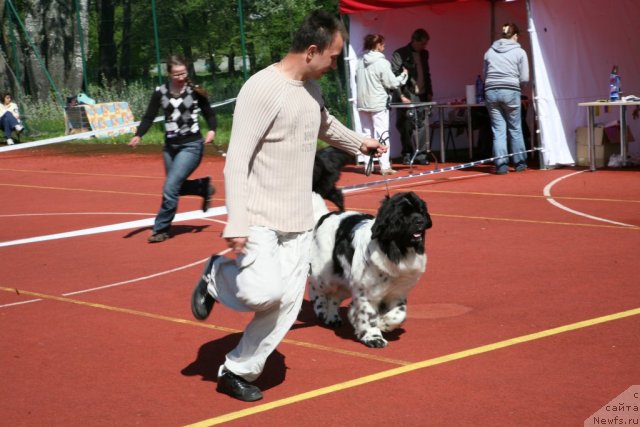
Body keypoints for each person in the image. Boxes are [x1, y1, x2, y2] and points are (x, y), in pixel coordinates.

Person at [190, 10, 386, 402]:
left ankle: (237, 369)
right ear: (312, 51)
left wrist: (357, 143)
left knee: (285, 304)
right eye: (333, 57)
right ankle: (217, 275)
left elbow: (324, 123)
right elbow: (236, 159)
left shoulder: (309, 89)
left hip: (300, 217)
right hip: (261, 213)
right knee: (261, 293)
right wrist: (238, 221)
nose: (335, 64)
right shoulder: (261, 89)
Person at [128, 55, 217, 243]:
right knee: (175, 187)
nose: (180, 77)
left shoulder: (194, 91)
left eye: (183, 73)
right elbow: (148, 117)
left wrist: (212, 130)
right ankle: (203, 187)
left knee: (169, 188)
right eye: (176, 74)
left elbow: (209, 113)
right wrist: (138, 134)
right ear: (168, 73)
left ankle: (161, 229)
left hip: (192, 146)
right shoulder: (160, 92)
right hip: (170, 147)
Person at [356, 34, 408, 175]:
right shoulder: (382, 63)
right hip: (378, 102)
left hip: (362, 102)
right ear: (378, 45)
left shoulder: (359, 61)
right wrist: (404, 75)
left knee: (366, 134)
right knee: (382, 134)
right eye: (383, 44)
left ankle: (369, 165)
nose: (384, 46)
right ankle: (384, 166)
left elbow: (356, 79)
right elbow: (392, 83)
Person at [483, 23, 529, 174]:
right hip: (511, 91)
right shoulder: (520, 52)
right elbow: (525, 77)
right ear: (515, 35)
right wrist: (519, 88)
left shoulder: (489, 51)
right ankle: (519, 162)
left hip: (491, 91)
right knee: (515, 128)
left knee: (498, 130)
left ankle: (501, 165)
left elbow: (485, 74)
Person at [390, 28, 433, 165]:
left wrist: (430, 91)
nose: (424, 47)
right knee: (406, 126)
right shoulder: (400, 54)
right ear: (414, 40)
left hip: (422, 95)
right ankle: (407, 154)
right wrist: (400, 95)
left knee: (421, 125)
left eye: (425, 44)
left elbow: (427, 73)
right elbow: (393, 77)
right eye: (422, 44)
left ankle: (421, 155)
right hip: (407, 95)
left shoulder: (425, 54)